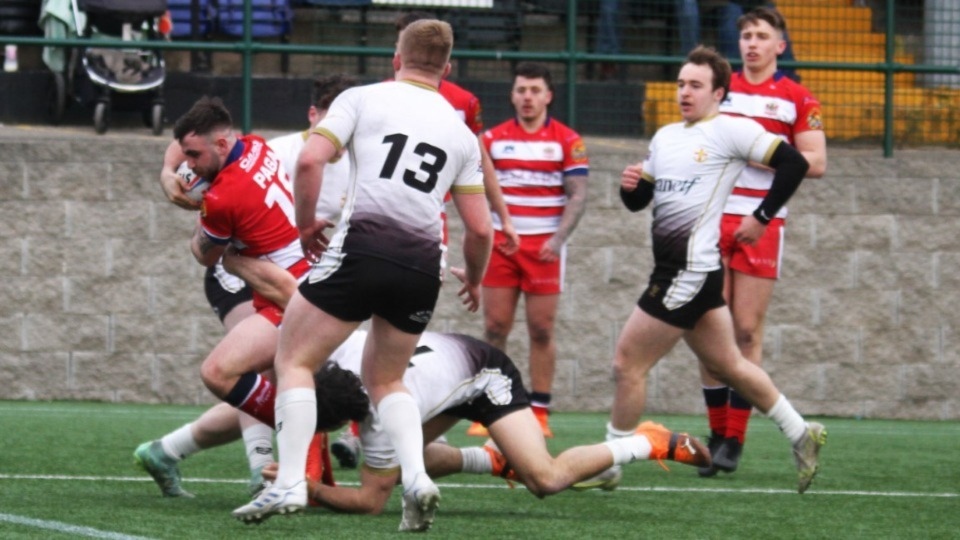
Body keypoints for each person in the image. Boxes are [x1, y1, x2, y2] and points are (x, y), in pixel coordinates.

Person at [231, 19, 493, 532]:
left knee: (294, 359)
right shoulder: (462, 134)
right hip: (422, 266)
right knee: (388, 379)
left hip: (361, 252)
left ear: (396, 59)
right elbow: (480, 231)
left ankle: (288, 481)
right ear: (448, 68)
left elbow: (310, 159)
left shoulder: (364, 98)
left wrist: (305, 226)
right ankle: (416, 478)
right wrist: (477, 280)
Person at [587, 45, 825, 495]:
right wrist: (629, 189)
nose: (684, 92)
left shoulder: (731, 130)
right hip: (685, 271)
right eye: (680, 84)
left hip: (687, 272)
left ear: (719, 92)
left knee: (626, 364)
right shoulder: (666, 137)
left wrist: (762, 216)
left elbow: (794, 162)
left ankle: (611, 461)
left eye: (695, 85)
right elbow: (642, 202)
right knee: (731, 364)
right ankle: (801, 433)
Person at [135, 77, 359, 497]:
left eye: (195, 156)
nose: (191, 162)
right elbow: (186, 145)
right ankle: (266, 459)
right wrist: (171, 174)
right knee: (267, 376)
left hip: (282, 287)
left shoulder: (223, 195)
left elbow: (204, 253)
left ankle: (278, 450)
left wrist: (194, 203)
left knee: (229, 374)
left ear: (222, 145)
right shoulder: (256, 145)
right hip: (279, 278)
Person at [329, 11, 521, 471]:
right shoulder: (402, 94)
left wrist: (503, 213)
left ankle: (352, 438)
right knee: (387, 355)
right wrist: (496, 223)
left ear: (401, 52)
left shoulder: (388, 94)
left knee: (359, 347)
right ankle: (377, 443)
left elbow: (478, 161)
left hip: (378, 237)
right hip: (420, 251)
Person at [258, 330, 710, 514]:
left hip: (488, 378)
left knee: (546, 479)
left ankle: (648, 442)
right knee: (402, 465)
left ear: (345, 423)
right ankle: (494, 461)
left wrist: (312, 490)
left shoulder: (382, 420)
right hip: (444, 371)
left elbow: (369, 503)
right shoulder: (331, 351)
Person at [698, 6, 827, 477]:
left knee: (747, 331)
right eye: (746, 35)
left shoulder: (795, 97)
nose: (751, 43)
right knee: (709, 329)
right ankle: (715, 435)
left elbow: (815, 161)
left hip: (762, 222)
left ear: (780, 45)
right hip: (711, 220)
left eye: (761, 36)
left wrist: (766, 157)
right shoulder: (720, 90)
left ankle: (735, 439)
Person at [468, 62, 588, 439]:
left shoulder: (567, 140)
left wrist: (557, 240)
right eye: (521, 90)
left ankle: (539, 410)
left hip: (545, 248)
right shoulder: (491, 140)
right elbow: (478, 187)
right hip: (503, 246)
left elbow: (579, 195)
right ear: (512, 95)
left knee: (541, 329)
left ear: (549, 95)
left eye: (535, 90)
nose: (528, 97)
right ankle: (487, 407)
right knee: (494, 327)